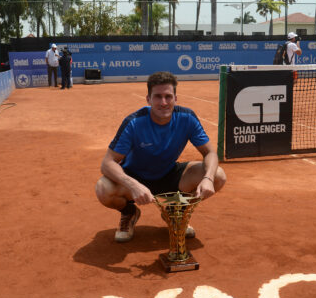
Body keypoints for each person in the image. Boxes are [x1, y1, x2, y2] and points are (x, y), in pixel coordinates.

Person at [95, 71, 226, 243]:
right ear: (148, 99)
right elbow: (108, 163)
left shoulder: (187, 118)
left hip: (169, 175)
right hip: (136, 177)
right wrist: (133, 185)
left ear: (175, 98)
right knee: (103, 189)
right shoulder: (134, 122)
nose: (163, 102)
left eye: (168, 96)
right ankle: (129, 213)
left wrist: (208, 178)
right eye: (157, 97)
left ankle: (176, 211)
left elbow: (210, 153)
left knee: (218, 176)